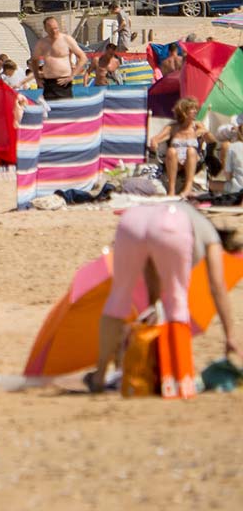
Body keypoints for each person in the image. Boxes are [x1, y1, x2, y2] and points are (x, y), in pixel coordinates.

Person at [87, 203, 239, 395]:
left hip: (131, 221)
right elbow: (217, 287)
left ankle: (99, 376)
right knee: (177, 299)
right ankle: (179, 377)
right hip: (171, 225)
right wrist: (230, 336)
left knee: (118, 297)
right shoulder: (209, 234)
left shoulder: (185, 216)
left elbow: (154, 299)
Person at [153, 97, 207, 198]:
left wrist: (201, 133)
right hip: (175, 161)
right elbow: (156, 138)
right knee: (171, 150)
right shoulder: (173, 127)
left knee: (191, 150)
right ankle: (171, 189)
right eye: (192, 109)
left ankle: (188, 187)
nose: (196, 111)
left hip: (192, 160)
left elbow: (207, 134)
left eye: (196, 108)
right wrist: (154, 142)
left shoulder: (197, 125)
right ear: (184, 111)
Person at [31, 16, 85, 101]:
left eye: (56, 28)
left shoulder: (66, 39)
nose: (54, 31)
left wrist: (72, 75)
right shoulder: (42, 43)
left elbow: (83, 57)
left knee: (66, 109)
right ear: (46, 29)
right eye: (51, 29)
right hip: (48, 82)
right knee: (49, 110)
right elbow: (34, 60)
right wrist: (37, 78)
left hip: (64, 81)